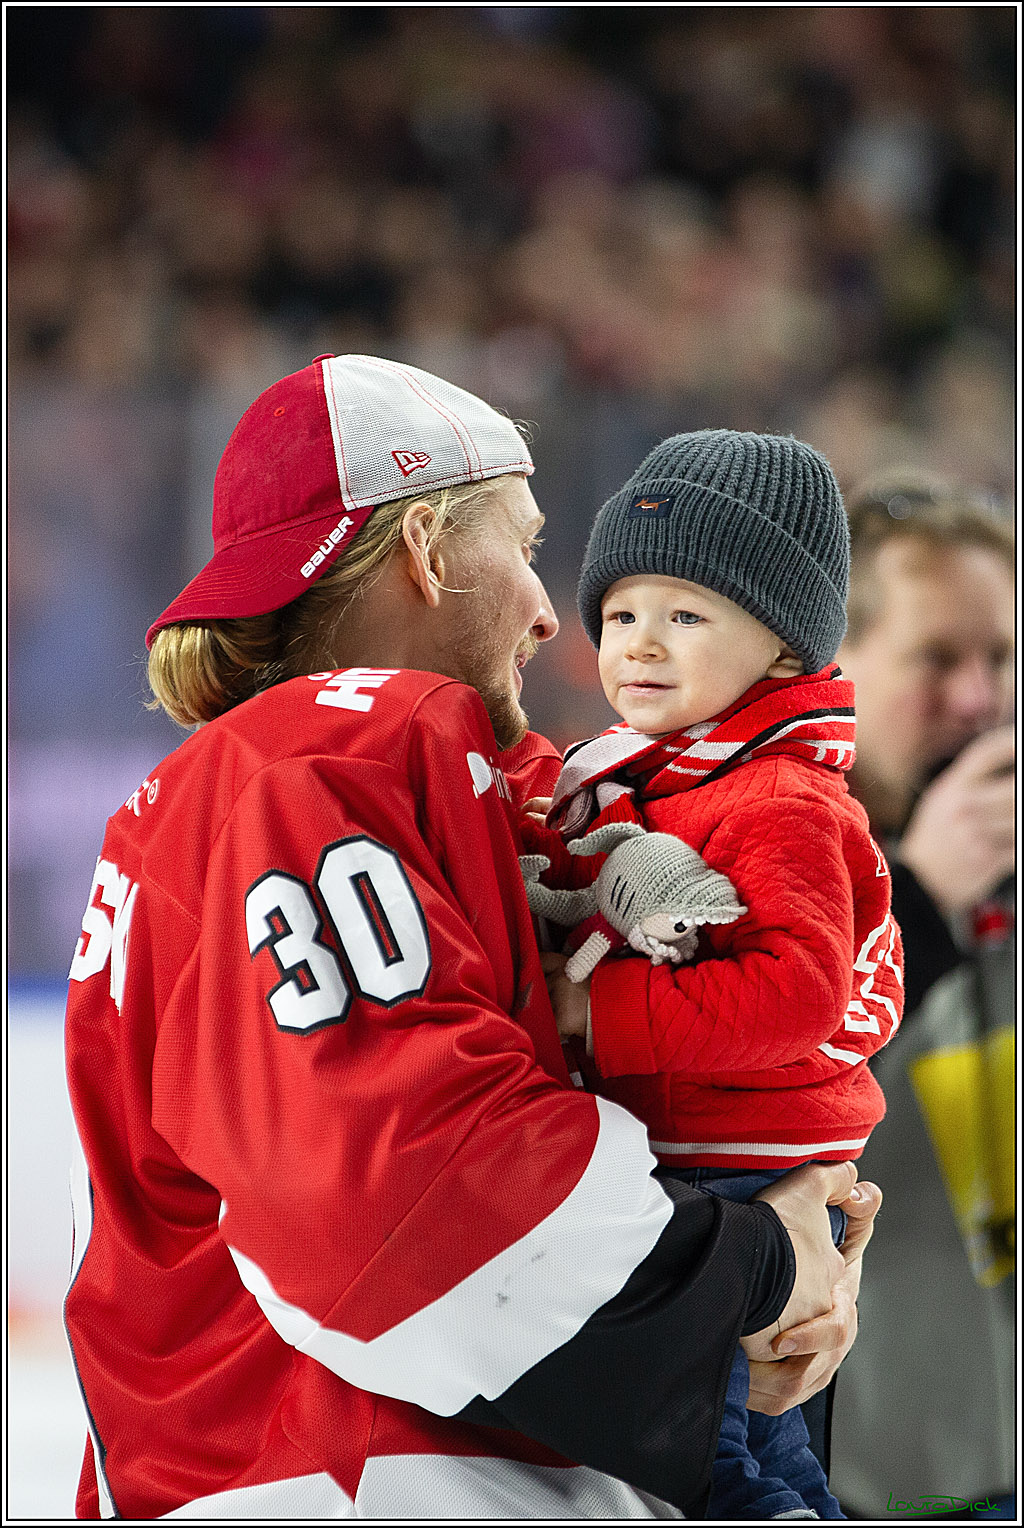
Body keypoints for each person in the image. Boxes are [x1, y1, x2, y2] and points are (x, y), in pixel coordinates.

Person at [62, 356, 878, 1522]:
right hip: (352, 1480)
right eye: (527, 547)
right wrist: (765, 1260)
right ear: (428, 549)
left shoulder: (465, 783)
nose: (555, 614)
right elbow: (416, 1209)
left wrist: (809, 1210)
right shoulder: (311, 761)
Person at [523, 430, 903, 1520]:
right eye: (624, 613)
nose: (640, 645)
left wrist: (595, 1009)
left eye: (687, 616)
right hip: (719, 1169)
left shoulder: (778, 797)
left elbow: (794, 994)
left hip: (744, 1181)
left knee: (706, 1465)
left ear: (784, 649)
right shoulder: (657, 778)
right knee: (762, 1456)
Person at [827, 473, 1015, 1521]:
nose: (981, 699)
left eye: (998, 659)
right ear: (830, 664)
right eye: (937, 659)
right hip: (871, 1479)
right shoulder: (742, 869)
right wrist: (922, 904)